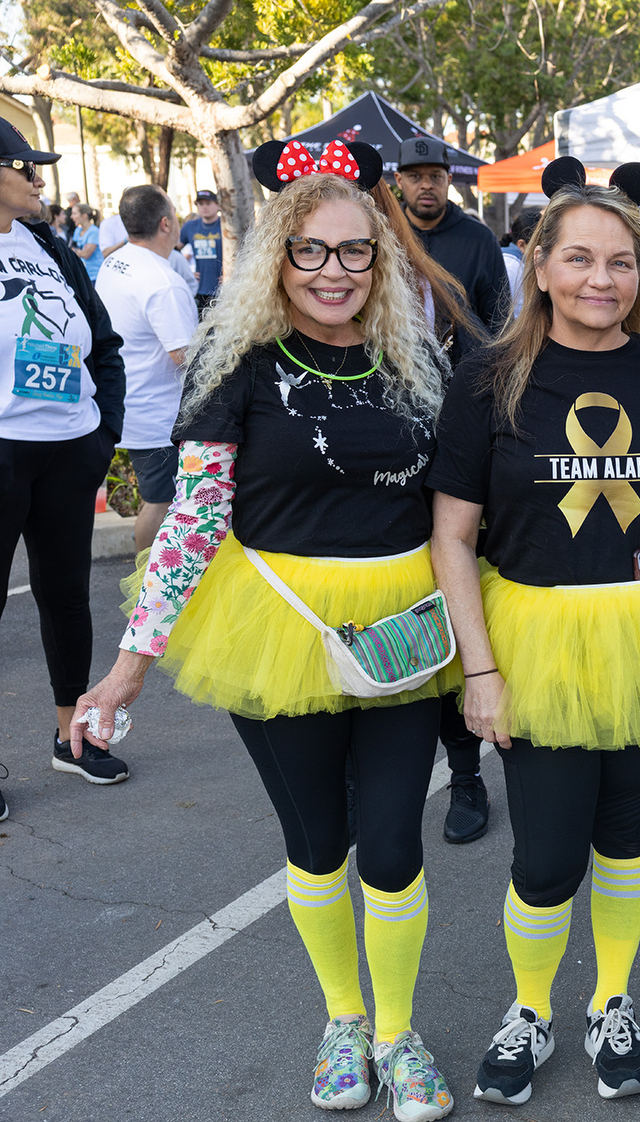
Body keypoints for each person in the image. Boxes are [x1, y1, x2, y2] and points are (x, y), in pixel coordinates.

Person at [74, 141, 458, 1120]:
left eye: (354, 253)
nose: (334, 272)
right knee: (318, 841)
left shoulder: (414, 362)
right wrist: (128, 669)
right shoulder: (233, 365)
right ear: (276, 259)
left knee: (393, 846)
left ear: (380, 261)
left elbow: (461, 502)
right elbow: (197, 520)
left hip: (405, 627)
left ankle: (397, 1031)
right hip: (277, 627)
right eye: (311, 252)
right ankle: (341, 1019)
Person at [428, 157, 640, 1107]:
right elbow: (451, 534)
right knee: (547, 855)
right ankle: (530, 1008)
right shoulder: (489, 377)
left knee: (627, 837)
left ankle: (610, 999)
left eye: (619, 263)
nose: (601, 280)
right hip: (537, 632)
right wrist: (479, 670)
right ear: (541, 264)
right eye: (579, 260)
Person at [0, 119, 129, 793]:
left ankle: (71, 737)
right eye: (25, 166)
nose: (40, 178)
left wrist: (101, 435)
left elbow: (101, 344)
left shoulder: (48, 245)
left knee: (66, 598)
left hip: (68, 453)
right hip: (4, 453)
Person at [368, 176, 495, 846]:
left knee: (443, 630)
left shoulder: (438, 264)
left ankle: (466, 777)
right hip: (355, 502)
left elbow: (488, 340)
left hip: (434, 469)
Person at [96, 184, 198, 554]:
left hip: (131, 405)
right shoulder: (162, 281)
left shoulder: (115, 261)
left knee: (157, 501)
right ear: (166, 223)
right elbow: (185, 354)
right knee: (163, 504)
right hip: (158, 417)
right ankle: (147, 591)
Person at [395, 137, 510, 332]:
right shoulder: (385, 232)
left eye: (435, 177)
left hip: (465, 361)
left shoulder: (480, 240)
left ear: (448, 180)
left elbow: (499, 323)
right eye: (415, 176)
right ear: (399, 180)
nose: (426, 186)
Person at [178, 188, 224, 316]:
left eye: (208, 203)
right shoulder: (190, 227)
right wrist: (187, 272)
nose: (204, 207)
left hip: (224, 289)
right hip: (199, 289)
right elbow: (173, 251)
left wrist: (232, 272)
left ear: (217, 205)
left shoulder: (226, 225)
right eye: (201, 204)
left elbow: (240, 250)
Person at [499, 208, 539, 322]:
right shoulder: (512, 267)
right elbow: (518, 313)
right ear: (521, 245)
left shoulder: (508, 260)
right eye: (538, 244)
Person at [69, 202, 101, 280]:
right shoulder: (77, 230)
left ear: (84, 216)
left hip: (94, 275)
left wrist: (76, 251)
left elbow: (86, 254)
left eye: (75, 213)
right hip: (83, 275)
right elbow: (70, 250)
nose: (71, 217)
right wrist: (79, 251)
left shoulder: (94, 231)